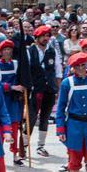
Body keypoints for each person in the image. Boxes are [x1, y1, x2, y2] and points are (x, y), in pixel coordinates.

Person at [0, 39, 29, 165]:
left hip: (14, 100)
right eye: (5, 50)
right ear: (0, 51)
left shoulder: (16, 64)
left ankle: (15, 154)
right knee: (0, 128)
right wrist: (11, 87)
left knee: (14, 127)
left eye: (9, 49)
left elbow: (22, 77)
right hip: (1, 100)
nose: (7, 52)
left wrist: (24, 84)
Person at [28, 25, 59, 158]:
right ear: (37, 37)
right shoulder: (30, 51)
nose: (46, 38)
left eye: (48, 36)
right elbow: (25, 71)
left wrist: (57, 88)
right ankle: (23, 146)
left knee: (45, 118)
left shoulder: (53, 51)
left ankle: (41, 145)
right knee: (31, 117)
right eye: (43, 36)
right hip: (35, 89)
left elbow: (58, 71)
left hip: (49, 89)